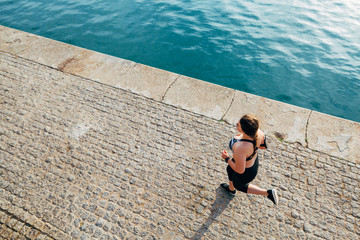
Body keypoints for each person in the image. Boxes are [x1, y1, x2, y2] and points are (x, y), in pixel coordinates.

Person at [220, 114, 278, 205]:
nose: (236, 123)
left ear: (244, 130)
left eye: (238, 125)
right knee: (230, 170)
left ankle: (268, 193)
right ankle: (231, 190)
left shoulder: (241, 148)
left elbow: (240, 170)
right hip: (251, 161)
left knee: (238, 185)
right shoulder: (258, 132)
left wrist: (226, 158)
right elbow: (263, 146)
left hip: (246, 171)